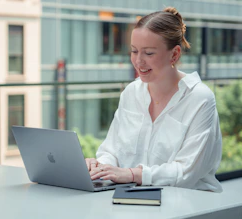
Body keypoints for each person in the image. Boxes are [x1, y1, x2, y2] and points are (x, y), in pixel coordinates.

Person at [85, 6, 223, 192]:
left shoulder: (200, 98)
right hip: (135, 198)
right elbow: (111, 151)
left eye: (149, 53)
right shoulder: (131, 93)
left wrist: (133, 174)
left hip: (191, 202)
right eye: (134, 51)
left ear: (174, 54)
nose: (138, 61)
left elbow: (187, 171)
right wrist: (100, 167)